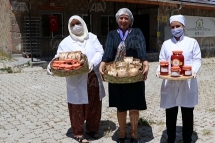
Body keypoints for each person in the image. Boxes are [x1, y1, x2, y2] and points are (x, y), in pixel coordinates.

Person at [47, 15, 105, 143]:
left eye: (77, 23)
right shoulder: (66, 42)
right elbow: (59, 57)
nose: (75, 26)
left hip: (92, 76)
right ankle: (78, 133)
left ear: (83, 23)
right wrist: (50, 65)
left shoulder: (92, 37)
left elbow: (100, 52)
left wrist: (92, 63)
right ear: (69, 27)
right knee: (76, 105)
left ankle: (92, 129)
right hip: (76, 78)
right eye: (72, 24)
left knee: (94, 103)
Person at [99, 8, 149, 143]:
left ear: (130, 20)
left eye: (126, 18)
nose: (123, 20)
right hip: (117, 76)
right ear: (117, 19)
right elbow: (108, 51)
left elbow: (141, 48)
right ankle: (122, 132)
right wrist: (103, 63)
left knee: (134, 104)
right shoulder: (112, 35)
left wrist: (145, 62)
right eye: (121, 18)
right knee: (120, 105)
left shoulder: (137, 32)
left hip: (133, 74)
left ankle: (133, 133)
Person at [156, 15, 201, 143]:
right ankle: (171, 138)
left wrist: (193, 71)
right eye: (173, 27)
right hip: (170, 82)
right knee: (170, 113)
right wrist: (159, 71)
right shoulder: (166, 44)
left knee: (187, 113)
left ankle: (187, 139)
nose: (175, 29)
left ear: (183, 27)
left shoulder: (192, 42)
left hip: (187, 82)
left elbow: (197, 60)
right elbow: (162, 61)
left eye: (178, 26)